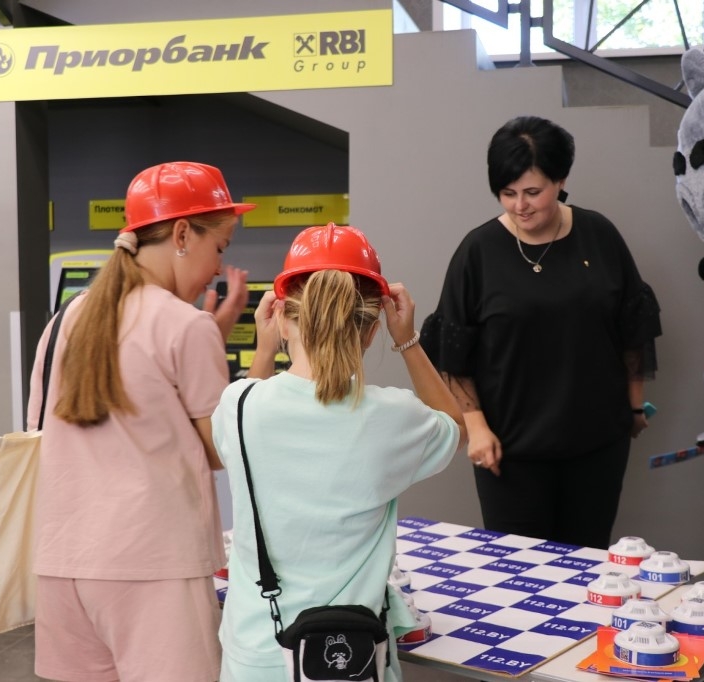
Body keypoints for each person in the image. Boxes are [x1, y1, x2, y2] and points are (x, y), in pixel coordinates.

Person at [26, 161, 267, 682]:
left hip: (61, 564)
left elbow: (44, 431)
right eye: (219, 247)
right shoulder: (187, 325)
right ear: (182, 234)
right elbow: (223, 449)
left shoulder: (65, 319)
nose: (217, 266)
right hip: (153, 565)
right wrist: (264, 354)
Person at [212, 222, 468, 682]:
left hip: (256, 652)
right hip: (352, 657)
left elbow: (249, 405)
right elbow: (454, 426)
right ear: (371, 332)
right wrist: (408, 341)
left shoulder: (239, 405)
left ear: (283, 318)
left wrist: (265, 350)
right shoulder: (392, 416)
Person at [420, 115, 661, 549]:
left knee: (588, 563)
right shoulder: (478, 251)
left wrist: (633, 404)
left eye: (533, 192)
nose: (520, 206)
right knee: (518, 570)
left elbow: (633, 326)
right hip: (509, 451)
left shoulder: (599, 235)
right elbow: (453, 349)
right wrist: (476, 427)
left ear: (561, 180)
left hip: (598, 444)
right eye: (508, 193)